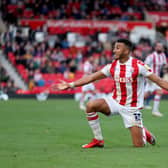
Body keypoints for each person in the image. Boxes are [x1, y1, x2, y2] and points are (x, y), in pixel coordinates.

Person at [52, 39, 168, 148]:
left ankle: (143, 132)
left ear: (126, 51)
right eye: (114, 48)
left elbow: (159, 81)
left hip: (131, 108)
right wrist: (70, 85)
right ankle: (98, 140)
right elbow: (92, 77)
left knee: (139, 146)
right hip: (115, 101)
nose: (114, 50)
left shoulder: (139, 66)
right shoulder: (112, 66)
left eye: (117, 48)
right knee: (90, 105)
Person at [144, 42, 167, 117]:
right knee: (159, 92)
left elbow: (164, 66)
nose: (160, 48)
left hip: (157, 78)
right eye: (159, 46)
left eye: (161, 46)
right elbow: (145, 65)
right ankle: (155, 111)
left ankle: (131, 107)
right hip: (151, 77)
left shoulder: (163, 55)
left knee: (146, 95)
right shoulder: (151, 56)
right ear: (155, 47)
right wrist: (149, 75)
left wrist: (165, 68)